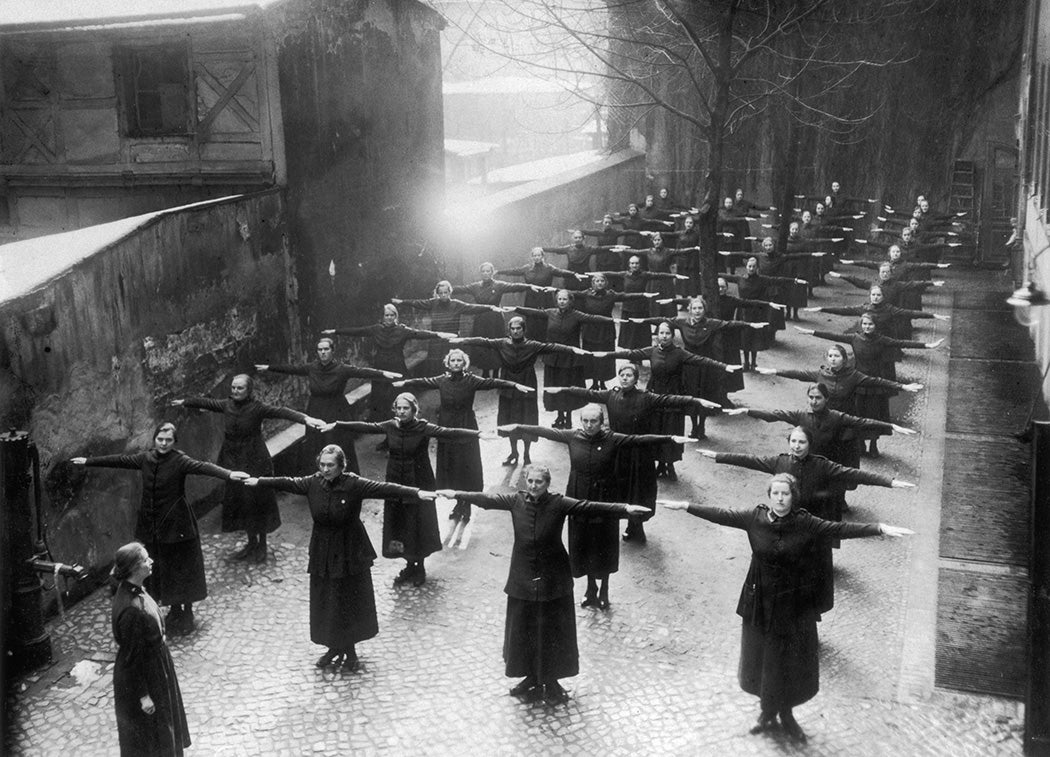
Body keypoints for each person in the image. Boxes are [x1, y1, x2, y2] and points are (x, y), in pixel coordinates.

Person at [660, 473, 912, 742]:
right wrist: (687, 506)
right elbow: (722, 514)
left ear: (794, 496)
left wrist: (879, 528)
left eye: (786, 494)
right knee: (764, 659)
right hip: (760, 602)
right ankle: (767, 712)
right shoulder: (754, 518)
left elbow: (838, 529)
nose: (780, 499)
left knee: (790, 662)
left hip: (794, 604)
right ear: (769, 496)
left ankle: (787, 715)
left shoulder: (805, 522)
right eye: (776, 494)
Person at [436, 465, 650, 704]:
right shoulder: (515, 500)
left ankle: (551, 681)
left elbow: (588, 507)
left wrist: (625, 509)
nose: (533, 486)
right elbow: (487, 499)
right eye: (530, 481)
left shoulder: (558, 503)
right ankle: (531, 677)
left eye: (539, 482)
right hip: (522, 576)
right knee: (524, 629)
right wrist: (455, 494)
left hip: (553, 577)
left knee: (553, 631)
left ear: (547, 483)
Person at [245, 445, 437, 670]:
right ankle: (334, 647)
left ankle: (350, 652)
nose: (325, 469)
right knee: (326, 601)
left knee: (348, 601)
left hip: (349, 550)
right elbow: (286, 482)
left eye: (330, 465)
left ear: (341, 466)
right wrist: (259, 481)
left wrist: (416, 492)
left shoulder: (353, 484)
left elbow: (385, 488)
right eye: (322, 465)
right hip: (322, 550)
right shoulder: (312, 483)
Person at [697, 426, 915, 613]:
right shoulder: (779, 462)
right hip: (783, 530)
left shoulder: (822, 465)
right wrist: (718, 456)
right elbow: (750, 460)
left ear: (810, 444)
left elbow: (853, 474)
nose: (797, 446)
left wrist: (889, 482)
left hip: (811, 532)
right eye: (793, 441)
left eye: (802, 442)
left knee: (811, 584)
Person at [499, 404, 688, 609]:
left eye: (594, 421)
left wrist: (669, 438)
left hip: (605, 498)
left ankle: (604, 588)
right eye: (585, 421)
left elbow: (639, 440)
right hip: (578, 497)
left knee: (604, 544)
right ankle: (590, 589)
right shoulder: (572, 436)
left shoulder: (612, 439)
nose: (589, 425)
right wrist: (518, 426)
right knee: (583, 543)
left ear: (601, 422)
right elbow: (546, 431)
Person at [72, 424, 248, 635]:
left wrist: (229, 474)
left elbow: (203, 467)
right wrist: (88, 461)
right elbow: (119, 460)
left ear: (174, 442)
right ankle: (172, 611)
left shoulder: (180, 460)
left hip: (177, 526)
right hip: (153, 526)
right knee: (163, 569)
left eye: (168, 440)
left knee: (181, 568)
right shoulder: (145, 459)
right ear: (154, 439)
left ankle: (186, 614)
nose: (164, 444)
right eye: (160, 439)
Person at [546, 363, 719, 542]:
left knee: (638, 490)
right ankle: (612, 524)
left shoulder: (646, 398)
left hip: (639, 453)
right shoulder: (611, 395)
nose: (625, 378)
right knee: (614, 488)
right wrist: (562, 389)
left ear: (636, 379)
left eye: (629, 375)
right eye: (622, 375)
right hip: (616, 451)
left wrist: (696, 400)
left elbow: (670, 399)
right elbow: (587, 393)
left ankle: (636, 526)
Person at [326, 393, 480, 586]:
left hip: (419, 482)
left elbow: (448, 432)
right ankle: (409, 565)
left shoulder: (423, 428)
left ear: (414, 409)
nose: (401, 411)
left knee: (418, 524)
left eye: (405, 408)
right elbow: (367, 427)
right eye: (398, 408)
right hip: (396, 482)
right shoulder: (391, 425)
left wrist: (476, 434)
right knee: (400, 524)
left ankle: (419, 567)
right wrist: (338, 424)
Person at [170, 374, 324, 563]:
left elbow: (282, 411)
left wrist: (305, 418)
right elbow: (207, 403)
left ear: (248, 390)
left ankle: (262, 546)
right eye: (233, 388)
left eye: (239, 388)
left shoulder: (257, 408)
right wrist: (186, 401)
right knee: (241, 503)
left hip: (255, 460)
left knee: (259, 502)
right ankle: (251, 543)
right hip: (234, 460)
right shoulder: (227, 404)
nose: (235, 391)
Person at [393, 349, 532, 522]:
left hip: (466, 425)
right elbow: (423, 381)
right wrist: (405, 383)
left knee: (465, 465)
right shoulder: (442, 380)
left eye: (460, 360)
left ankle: (466, 504)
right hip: (446, 425)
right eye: (453, 361)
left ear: (464, 363)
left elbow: (491, 382)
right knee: (451, 465)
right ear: (448, 363)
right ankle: (458, 503)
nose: (456, 363)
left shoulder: (471, 380)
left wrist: (513, 385)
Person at [601, 321, 740, 479]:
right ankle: (659, 464)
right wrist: (607, 354)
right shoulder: (652, 351)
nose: (664, 336)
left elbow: (700, 360)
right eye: (661, 333)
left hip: (674, 398)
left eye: (667, 333)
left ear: (673, 336)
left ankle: (670, 465)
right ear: (657, 335)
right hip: (654, 398)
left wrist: (723, 366)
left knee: (672, 430)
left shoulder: (679, 353)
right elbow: (631, 354)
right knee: (655, 430)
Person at [794, 314, 943, 456]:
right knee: (857, 415)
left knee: (874, 413)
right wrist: (811, 331)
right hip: (858, 384)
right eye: (864, 324)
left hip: (874, 384)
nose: (867, 326)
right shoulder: (855, 338)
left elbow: (900, 343)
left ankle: (873, 444)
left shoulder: (881, 339)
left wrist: (926, 345)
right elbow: (832, 336)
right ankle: (859, 443)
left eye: (870, 324)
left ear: (876, 325)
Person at [451, 316, 590, 465]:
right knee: (509, 418)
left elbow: (552, 347)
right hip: (507, 383)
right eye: (513, 329)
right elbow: (483, 341)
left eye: (519, 328)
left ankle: (526, 454)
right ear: (509, 330)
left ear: (524, 330)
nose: (516, 331)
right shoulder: (502, 343)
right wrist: (462, 340)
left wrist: (572, 349)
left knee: (527, 419)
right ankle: (514, 452)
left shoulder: (532, 345)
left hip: (527, 382)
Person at [255, 337, 398, 473]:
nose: (323, 352)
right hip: (316, 409)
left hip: (337, 410)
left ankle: (344, 476)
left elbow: (362, 372)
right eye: (319, 349)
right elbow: (292, 368)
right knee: (315, 445)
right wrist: (269, 367)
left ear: (332, 351)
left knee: (338, 443)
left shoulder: (341, 369)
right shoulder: (312, 367)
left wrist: (383, 373)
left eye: (326, 349)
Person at [631, 295, 765, 434]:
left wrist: (749, 324)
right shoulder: (682, 322)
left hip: (707, 367)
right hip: (688, 367)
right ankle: (694, 425)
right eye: (694, 308)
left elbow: (729, 324)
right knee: (691, 396)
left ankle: (701, 425)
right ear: (690, 310)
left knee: (706, 395)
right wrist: (644, 321)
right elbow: (663, 320)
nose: (697, 311)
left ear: (704, 309)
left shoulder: (711, 323)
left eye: (700, 308)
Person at [110, 542, 191, 757]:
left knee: (163, 729)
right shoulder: (132, 611)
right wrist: (144, 696)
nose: (151, 561)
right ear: (135, 568)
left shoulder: (131, 590)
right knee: (154, 735)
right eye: (146, 559)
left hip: (155, 666)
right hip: (146, 676)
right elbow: (133, 659)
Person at [322, 304, 455, 432]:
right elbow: (358, 331)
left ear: (396, 316)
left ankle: (398, 433)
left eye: (392, 315)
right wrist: (335, 331)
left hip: (397, 369)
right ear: (383, 317)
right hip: (380, 370)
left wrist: (440, 334)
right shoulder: (376, 329)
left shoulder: (402, 330)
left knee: (396, 401)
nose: (389, 318)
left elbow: (420, 333)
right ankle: (385, 434)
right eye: (387, 315)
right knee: (380, 401)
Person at [512, 290, 619, 429]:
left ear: (570, 301)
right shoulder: (550, 313)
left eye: (565, 299)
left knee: (567, 390)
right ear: (556, 301)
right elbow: (533, 312)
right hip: (552, 359)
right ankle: (559, 417)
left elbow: (593, 318)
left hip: (570, 360)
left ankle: (567, 418)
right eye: (560, 299)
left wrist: (612, 320)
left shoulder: (576, 315)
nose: (562, 301)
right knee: (554, 389)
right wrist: (516, 308)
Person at [393, 280, 505, 376]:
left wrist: (490, 307)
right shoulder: (433, 303)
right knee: (437, 366)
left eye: (445, 292)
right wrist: (402, 302)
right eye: (440, 293)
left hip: (452, 341)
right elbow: (417, 303)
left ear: (450, 292)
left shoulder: (456, 305)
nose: (443, 295)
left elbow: (473, 308)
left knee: (454, 365)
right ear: (437, 294)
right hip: (436, 340)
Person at [452, 263, 540, 376]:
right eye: (483, 271)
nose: (486, 273)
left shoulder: (499, 285)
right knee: (482, 345)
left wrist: (529, 286)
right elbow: (461, 289)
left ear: (492, 272)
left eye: (488, 271)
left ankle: (495, 371)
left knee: (496, 345)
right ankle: (484, 371)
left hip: (495, 320)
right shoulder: (475, 286)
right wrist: (444, 288)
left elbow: (513, 286)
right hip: (481, 320)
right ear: (480, 273)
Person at [497, 248, 585, 337]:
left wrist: (573, 274)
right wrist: (499, 272)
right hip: (531, 299)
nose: (537, 257)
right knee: (531, 321)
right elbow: (513, 271)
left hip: (545, 299)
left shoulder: (548, 268)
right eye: (534, 255)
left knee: (545, 322)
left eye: (539, 255)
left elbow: (561, 272)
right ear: (532, 257)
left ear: (542, 256)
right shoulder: (527, 268)